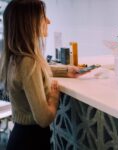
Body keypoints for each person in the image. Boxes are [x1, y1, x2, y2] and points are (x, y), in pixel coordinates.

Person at [0, 0, 79, 150]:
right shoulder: (29, 62)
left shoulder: (15, 58)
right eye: (43, 17)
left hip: (20, 137)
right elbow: (43, 118)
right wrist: (54, 98)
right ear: (29, 23)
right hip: (32, 141)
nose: (49, 21)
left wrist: (65, 70)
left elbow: (33, 73)